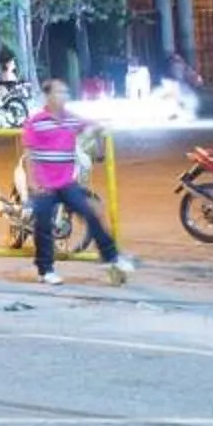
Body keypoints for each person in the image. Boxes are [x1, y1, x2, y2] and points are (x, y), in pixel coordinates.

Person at [20, 78, 133, 286]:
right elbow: (29, 155)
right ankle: (45, 270)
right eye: (58, 92)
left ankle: (111, 257)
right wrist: (32, 183)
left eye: (65, 93)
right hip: (44, 184)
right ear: (48, 96)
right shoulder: (36, 122)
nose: (63, 97)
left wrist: (101, 130)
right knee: (43, 226)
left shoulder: (71, 120)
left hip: (65, 182)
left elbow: (93, 127)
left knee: (90, 213)